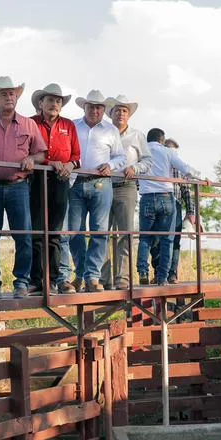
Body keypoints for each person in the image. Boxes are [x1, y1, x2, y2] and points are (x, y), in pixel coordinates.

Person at [0, 76, 47, 299]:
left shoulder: (28, 124)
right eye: (4, 94)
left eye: (12, 93)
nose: (9, 97)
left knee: (23, 236)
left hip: (18, 185)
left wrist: (32, 159)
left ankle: (21, 283)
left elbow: (42, 154)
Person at [60, 89, 124, 292]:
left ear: (103, 109)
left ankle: (93, 276)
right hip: (75, 181)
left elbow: (120, 157)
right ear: (84, 107)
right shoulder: (72, 126)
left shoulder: (111, 131)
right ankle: (80, 274)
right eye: (91, 106)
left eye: (98, 107)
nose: (94, 110)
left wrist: (110, 165)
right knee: (74, 231)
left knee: (100, 230)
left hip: (101, 182)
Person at [28, 83, 80, 295]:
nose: (55, 104)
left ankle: (55, 279)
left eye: (58, 101)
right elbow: (29, 152)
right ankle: (36, 280)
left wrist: (68, 165)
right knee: (37, 230)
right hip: (36, 179)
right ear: (41, 103)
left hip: (60, 179)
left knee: (55, 232)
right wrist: (50, 162)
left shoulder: (68, 126)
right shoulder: (31, 123)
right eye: (50, 100)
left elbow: (76, 156)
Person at [137, 128, 199, 285]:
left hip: (147, 197)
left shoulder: (140, 151)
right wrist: (197, 176)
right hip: (166, 197)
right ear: (162, 140)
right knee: (168, 240)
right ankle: (163, 278)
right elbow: (186, 169)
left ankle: (143, 271)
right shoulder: (168, 152)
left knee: (145, 237)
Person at [103, 94, 152, 289]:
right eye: (117, 110)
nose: (121, 114)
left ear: (129, 115)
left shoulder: (137, 135)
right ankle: (102, 278)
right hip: (103, 185)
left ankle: (122, 278)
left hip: (126, 185)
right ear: (111, 114)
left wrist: (135, 169)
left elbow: (147, 161)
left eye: (124, 111)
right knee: (101, 233)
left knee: (125, 232)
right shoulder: (104, 133)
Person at [163, 137, 198, 283]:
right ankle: (161, 272)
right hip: (159, 202)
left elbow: (186, 190)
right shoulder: (156, 163)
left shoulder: (179, 167)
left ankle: (172, 273)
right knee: (156, 240)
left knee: (174, 241)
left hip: (175, 204)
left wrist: (190, 212)